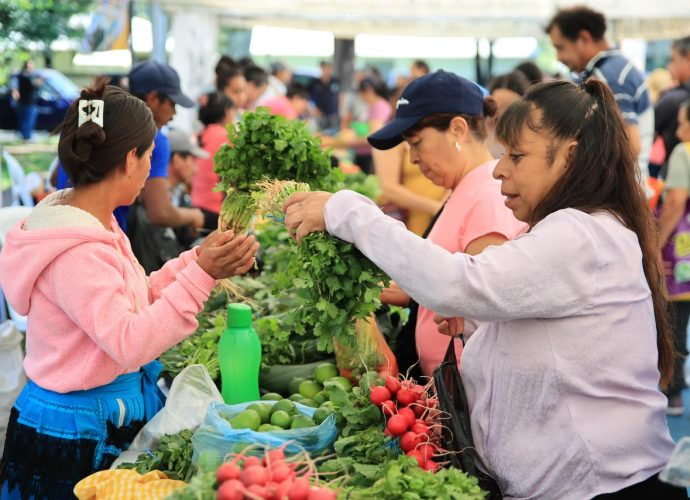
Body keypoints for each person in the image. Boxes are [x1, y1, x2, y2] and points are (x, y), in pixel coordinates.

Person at [283, 79, 684, 498]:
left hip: (603, 488)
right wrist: (479, 326)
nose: (499, 170)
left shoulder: (580, 234)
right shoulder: (571, 229)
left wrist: (349, 212)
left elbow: (455, 283)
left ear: (570, 157)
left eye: (516, 155)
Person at [0, 81, 258, 499]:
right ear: (129, 159)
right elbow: (129, 340)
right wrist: (201, 276)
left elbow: (136, 295)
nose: (150, 170)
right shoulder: (76, 251)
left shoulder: (93, 220)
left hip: (98, 415)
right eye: (150, 157)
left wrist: (196, 261)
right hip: (72, 432)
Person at [370, 70, 525, 376]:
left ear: (457, 129)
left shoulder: (489, 197)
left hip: (466, 394)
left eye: (416, 143)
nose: (412, 158)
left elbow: (486, 311)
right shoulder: (463, 189)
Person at [546, 6, 654, 182]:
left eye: (561, 47)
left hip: (619, 191)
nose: (559, 57)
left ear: (584, 38)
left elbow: (630, 146)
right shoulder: (614, 68)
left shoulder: (609, 76)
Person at [126, 60, 207, 248]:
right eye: (172, 103)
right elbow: (160, 212)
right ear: (153, 98)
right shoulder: (155, 138)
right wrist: (193, 215)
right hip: (111, 237)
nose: (175, 113)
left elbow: (57, 178)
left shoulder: (94, 125)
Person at [656, 99, 690, 416]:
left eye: (682, 123)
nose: (679, 131)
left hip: (682, 255)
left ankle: (674, 391)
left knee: (675, 321)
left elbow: (676, 200)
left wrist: (656, 242)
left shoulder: (684, 152)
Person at [323, 77, 392, 174]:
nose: (360, 97)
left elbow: (373, 135)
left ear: (369, 90)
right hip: (364, 153)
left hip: (370, 155)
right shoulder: (375, 106)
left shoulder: (380, 106)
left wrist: (348, 142)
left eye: (361, 93)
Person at [191, 91, 235, 226]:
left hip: (195, 205)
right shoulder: (227, 136)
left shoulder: (198, 135)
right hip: (216, 209)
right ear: (226, 112)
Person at [167, 128, 209, 249]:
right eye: (193, 160)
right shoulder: (156, 203)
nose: (196, 169)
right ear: (177, 159)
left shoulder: (180, 195)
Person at [655, 37, 690, 172]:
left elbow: (647, 136)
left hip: (677, 172)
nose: (668, 66)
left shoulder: (673, 98)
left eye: (673, 59)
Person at [487, 71, 531, 158]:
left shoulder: (529, 134)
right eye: (496, 106)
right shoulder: (484, 128)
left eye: (508, 106)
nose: (501, 112)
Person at [11, 60, 43, 140]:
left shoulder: (22, 76)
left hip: (28, 102)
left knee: (26, 121)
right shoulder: (26, 76)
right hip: (26, 102)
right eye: (30, 66)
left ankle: (25, 136)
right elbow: (35, 85)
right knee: (27, 121)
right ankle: (26, 137)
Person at [309, 61, 341, 131]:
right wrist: (313, 109)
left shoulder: (335, 81)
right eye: (324, 69)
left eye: (328, 69)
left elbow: (340, 96)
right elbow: (308, 98)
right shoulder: (314, 83)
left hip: (333, 115)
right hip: (319, 115)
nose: (326, 71)